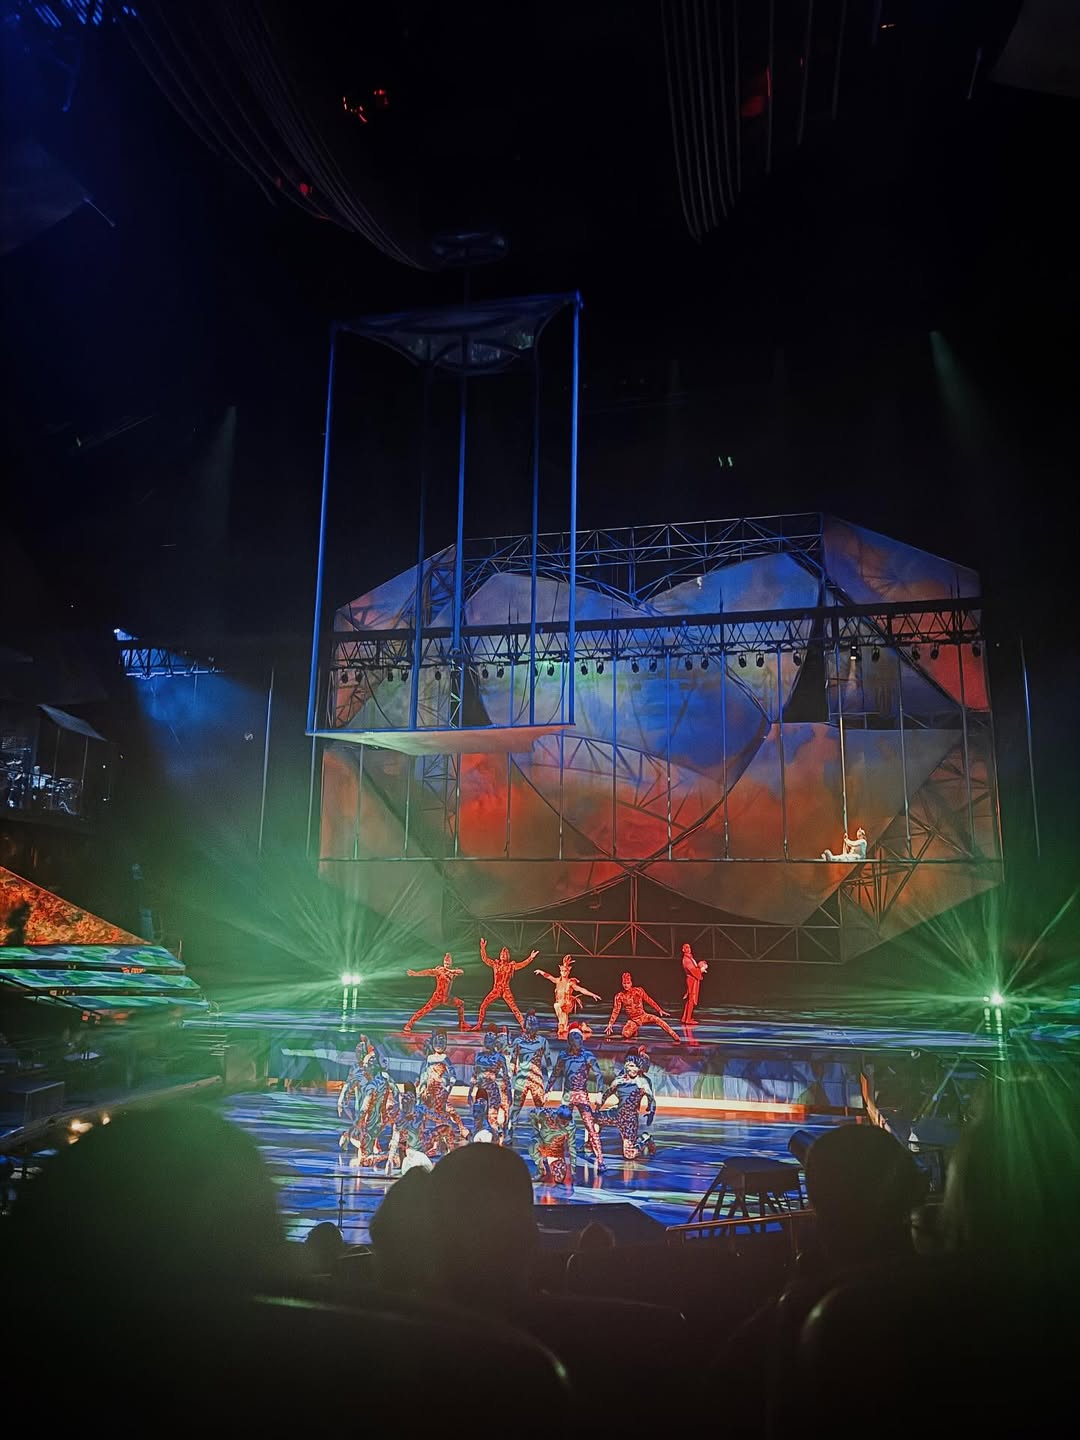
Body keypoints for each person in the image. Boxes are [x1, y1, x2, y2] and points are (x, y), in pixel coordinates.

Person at [550, 1025, 605, 1169]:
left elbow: (599, 1074)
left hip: (581, 1094)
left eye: (580, 1038)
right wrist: (547, 1088)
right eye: (575, 1038)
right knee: (560, 1125)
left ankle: (600, 1160)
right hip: (568, 1094)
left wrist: (600, 1092)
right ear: (569, 1040)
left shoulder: (587, 1056)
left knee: (590, 1126)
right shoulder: (564, 1055)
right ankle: (555, 1157)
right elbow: (555, 1073)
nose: (578, 1041)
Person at [596, 1049, 657, 1160]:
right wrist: (598, 1107)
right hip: (617, 1115)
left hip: (629, 1120)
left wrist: (651, 1111)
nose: (633, 1069)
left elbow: (651, 1098)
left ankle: (645, 1139)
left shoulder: (643, 1082)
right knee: (592, 1118)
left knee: (629, 1155)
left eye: (635, 1066)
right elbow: (607, 1094)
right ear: (625, 1066)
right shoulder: (619, 1081)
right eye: (630, 1066)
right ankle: (591, 1143)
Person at [470, 937, 538, 1030]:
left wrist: (530, 958)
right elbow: (485, 959)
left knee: (514, 1009)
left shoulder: (511, 966)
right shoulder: (495, 964)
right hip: (496, 989)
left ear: (508, 956)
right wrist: (482, 948)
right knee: (483, 1005)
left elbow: (522, 964)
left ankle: (523, 1026)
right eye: (502, 954)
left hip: (506, 990)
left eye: (505, 954)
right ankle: (479, 1025)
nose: (503, 955)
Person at [533, 954, 601, 1038]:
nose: (564, 972)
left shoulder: (570, 983)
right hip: (560, 1003)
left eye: (565, 971)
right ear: (560, 972)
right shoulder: (558, 981)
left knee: (556, 1006)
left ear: (568, 972)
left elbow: (581, 989)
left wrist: (592, 994)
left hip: (567, 1003)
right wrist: (540, 971)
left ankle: (561, 1024)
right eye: (562, 971)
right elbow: (548, 976)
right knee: (564, 1029)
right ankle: (581, 1027)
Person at [606, 971, 681, 1043]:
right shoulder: (619, 996)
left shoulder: (638, 991)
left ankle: (674, 1035)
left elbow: (648, 1000)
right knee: (625, 1034)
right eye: (624, 983)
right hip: (633, 1020)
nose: (626, 985)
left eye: (628, 983)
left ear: (631, 983)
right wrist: (610, 1024)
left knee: (658, 1020)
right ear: (622, 984)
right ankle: (634, 1029)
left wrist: (659, 1009)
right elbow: (616, 1010)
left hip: (643, 1016)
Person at [508, 1010, 551, 1133]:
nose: (532, 1026)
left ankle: (541, 1134)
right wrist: (509, 1080)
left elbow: (549, 1064)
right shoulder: (518, 1042)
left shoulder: (543, 1041)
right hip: (521, 1079)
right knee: (516, 1108)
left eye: (534, 1023)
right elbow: (512, 1062)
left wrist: (550, 1085)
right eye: (529, 1023)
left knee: (540, 1108)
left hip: (536, 1079)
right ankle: (510, 1132)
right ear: (525, 1025)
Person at [469, 1026, 512, 1144]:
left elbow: (506, 1077)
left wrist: (508, 1093)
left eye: (490, 1041)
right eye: (486, 1040)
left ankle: (495, 1142)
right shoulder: (479, 1056)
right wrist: (470, 1091)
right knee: (478, 1117)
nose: (488, 1043)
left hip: (492, 1091)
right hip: (480, 1091)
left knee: (492, 1118)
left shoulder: (499, 1057)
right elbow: (475, 1074)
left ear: (494, 1043)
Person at [403, 953, 466, 1032]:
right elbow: (428, 972)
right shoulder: (439, 971)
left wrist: (451, 971)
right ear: (443, 962)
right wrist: (415, 974)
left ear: (451, 963)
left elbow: (461, 971)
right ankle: (409, 1024)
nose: (446, 964)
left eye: (448, 962)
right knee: (424, 1010)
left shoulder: (453, 972)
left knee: (461, 1004)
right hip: (437, 997)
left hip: (446, 998)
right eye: (445, 962)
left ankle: (462, 1023)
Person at [529, 1104, 579, 1185]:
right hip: (542, 1145)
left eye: (567, 1122)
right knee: (533, 1145)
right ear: (557, 1117)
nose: (565, 1124)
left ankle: (551, 1163)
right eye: (562, 1121)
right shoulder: (546, 1115)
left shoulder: (570, 1126)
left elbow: (572, 1146)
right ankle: (541, 1169)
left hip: (556, 1152)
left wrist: (573, 1171)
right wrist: (536, 1131)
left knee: (559, 1179)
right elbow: (532, 1113)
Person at [679, 942, 708, 1026]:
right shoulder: (687, 960)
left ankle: (685, 1018)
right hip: (691, 980)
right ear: (683, 950)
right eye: (686, 948)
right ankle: (688, 1019)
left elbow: (694, 969)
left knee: (690, 999)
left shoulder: (689, 958)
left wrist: (700, 967)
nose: (688, 949)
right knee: (691, 999)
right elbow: (693, 971)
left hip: (692, 979)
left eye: (689, 947)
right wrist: (701, 970)